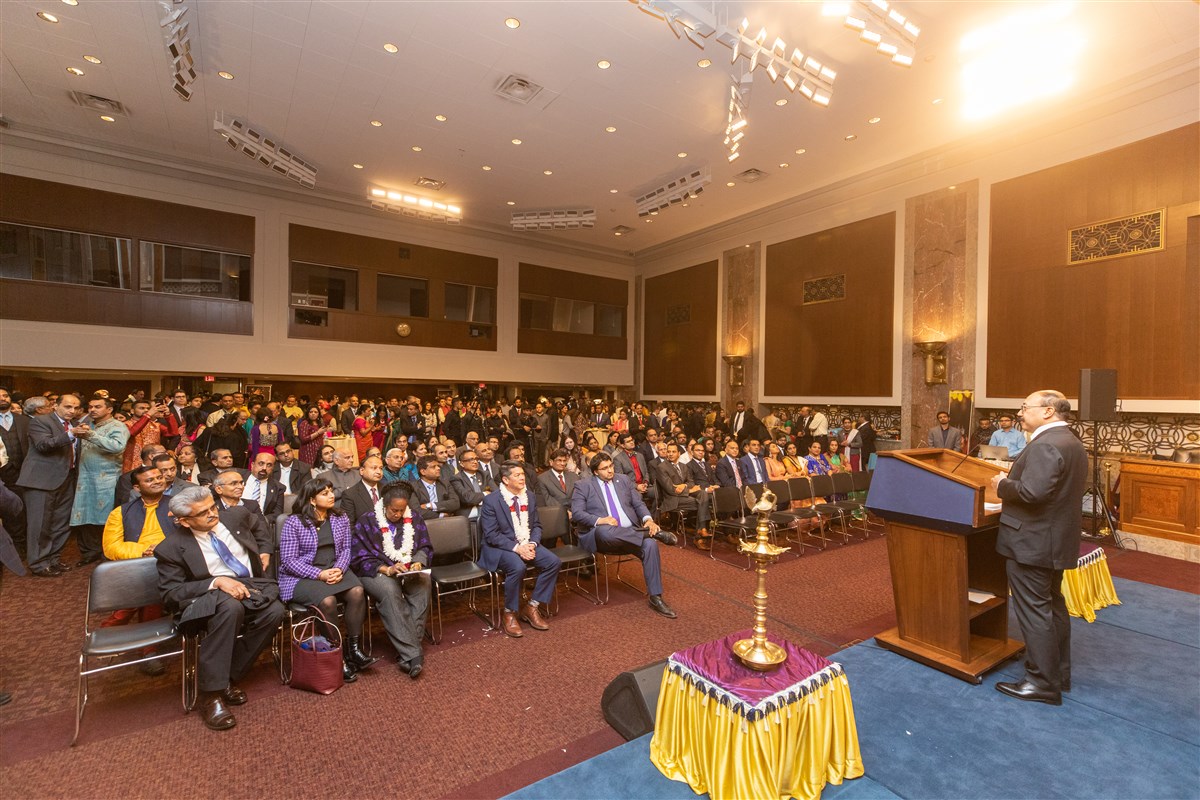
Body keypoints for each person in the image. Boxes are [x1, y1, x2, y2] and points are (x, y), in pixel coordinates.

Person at [157, 485, 286, 730]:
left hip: (250, 587)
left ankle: (226, 676)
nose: (212, 514)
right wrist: (216, 582)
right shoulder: (171, 548)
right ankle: (210, 695)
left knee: (275, 612)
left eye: (212, 507)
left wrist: (265, 549)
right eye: (203, 513)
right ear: (184, 522)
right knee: (230, 607)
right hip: (206, 601)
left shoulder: (234, 515)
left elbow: (259, 525)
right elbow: (171, 594)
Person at [990, 390, 1088, 706]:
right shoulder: (1070, 441)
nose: (1020, 412)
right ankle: (1058, 674)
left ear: (1047, 411)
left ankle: (1042, 683)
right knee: (1052, 606)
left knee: (1035, 611)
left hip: (1032, 541)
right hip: (1054, 540)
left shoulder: (1046, 444)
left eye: (1024, 407)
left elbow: (1032, 493)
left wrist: (1002, 485)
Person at [278, 478, 379, 683]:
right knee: (328, 601)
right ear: (312, 500)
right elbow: (288, 561)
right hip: (302, 575)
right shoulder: (294, 522)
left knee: (358, 591)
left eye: (331, 491)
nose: (331, 495)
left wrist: (339, 569)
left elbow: (345, 549)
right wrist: (319, 574)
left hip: (334, 567)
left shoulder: (339, 517)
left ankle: (354, 649)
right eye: (324, 493)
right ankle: (336, 654)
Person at [572, 452, 677, 617]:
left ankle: (655, 597)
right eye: (604, 468)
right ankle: (650, 534)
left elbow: (638, 503)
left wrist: (648, 520)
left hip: (630, 533)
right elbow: (577, 513)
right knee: (605, 532)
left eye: (611, 466)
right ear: (595, 472)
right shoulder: (583, 485)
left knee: (650, 545)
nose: (610, 471)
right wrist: (600, 520)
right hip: (604, 537)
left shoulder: (624, 480)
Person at [350, 481, 431, 679]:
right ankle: (414, 655)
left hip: (407, 567)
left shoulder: (414, 518)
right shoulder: (367, 521)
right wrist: (386, 568)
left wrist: (418, 562)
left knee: (423, 584)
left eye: (402, 510)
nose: (398, 514)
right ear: (384, 505)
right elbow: (358, 557)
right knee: (389, 591)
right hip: (376, 570)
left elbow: (424, 546)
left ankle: (407, 655)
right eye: (394, 510)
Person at [479, 460, 561, 638]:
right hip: (499, 547)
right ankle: (509, 612)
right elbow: (491, 535)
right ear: (506, 480)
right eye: (517, 475)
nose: (522, 478)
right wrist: (518, 548)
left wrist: (532, 544)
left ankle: (532, 607)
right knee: (518, 567)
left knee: (553, 562)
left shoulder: (529, 496)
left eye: (523, 474)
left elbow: (537, 525)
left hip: (526, 542)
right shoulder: (491, 501)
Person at [101, 465, 170, 675]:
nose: (158, 481)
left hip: (173, 564)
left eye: (159, 477)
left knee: (152, 583)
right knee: (149, 584)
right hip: (136, 565)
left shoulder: (176, 507)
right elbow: (111, 548)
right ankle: (149, 650)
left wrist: (163, 550)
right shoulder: (120, 513)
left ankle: (110, 632)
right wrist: (143, 552)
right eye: (150, 480)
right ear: (137, 488)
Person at [18, 394, 84, 577]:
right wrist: (70, 434)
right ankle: (38, 564)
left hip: (67, 478)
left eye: (75, 407)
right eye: (68, 406)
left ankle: (53, 560)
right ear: (56, 405)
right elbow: (43, 445)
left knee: (61, 523)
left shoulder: (76, 424)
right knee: (40, 525)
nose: (72, 411)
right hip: (41, 480)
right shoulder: (41, 421)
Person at [70, 396, 130, 566]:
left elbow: (117, 446)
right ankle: (89, 552)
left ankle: (106, 552)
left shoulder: (118, 426)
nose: (92, 410)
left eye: (97, 406)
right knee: (84, 515)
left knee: (103, 516)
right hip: (83, 477)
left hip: (105, 479)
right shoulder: (87, 425)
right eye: (90, 406)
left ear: (109, 409)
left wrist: (91, 435)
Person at [339, 454, 385, 525]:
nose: (379, 472)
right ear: (362, 471)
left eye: (381, 468)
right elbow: (348, 525)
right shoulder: (350, 494)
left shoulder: (388, 490)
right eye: (374, 468)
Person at [242, 452, 286, 518]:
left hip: (260, 523)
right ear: (252, 465)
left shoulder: (278, 487)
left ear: (273, 468)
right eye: (261, 463)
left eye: (269, 465)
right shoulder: (239, 477)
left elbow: (277, 513)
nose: (264, 468)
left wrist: (262, 521)